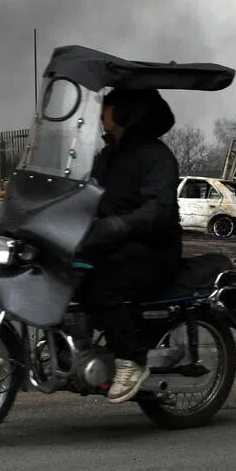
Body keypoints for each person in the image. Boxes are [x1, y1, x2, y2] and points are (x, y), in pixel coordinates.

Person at [77, 86, 184, 403]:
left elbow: (160, 210)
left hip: (153, 251)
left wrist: (118, 224)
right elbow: (86, 192)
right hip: (112, 244)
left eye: (107, 106)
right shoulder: (109, 155)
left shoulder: (157, 156)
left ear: (127, 112)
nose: (101, 112)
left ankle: (131, 360)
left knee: (102, 283)